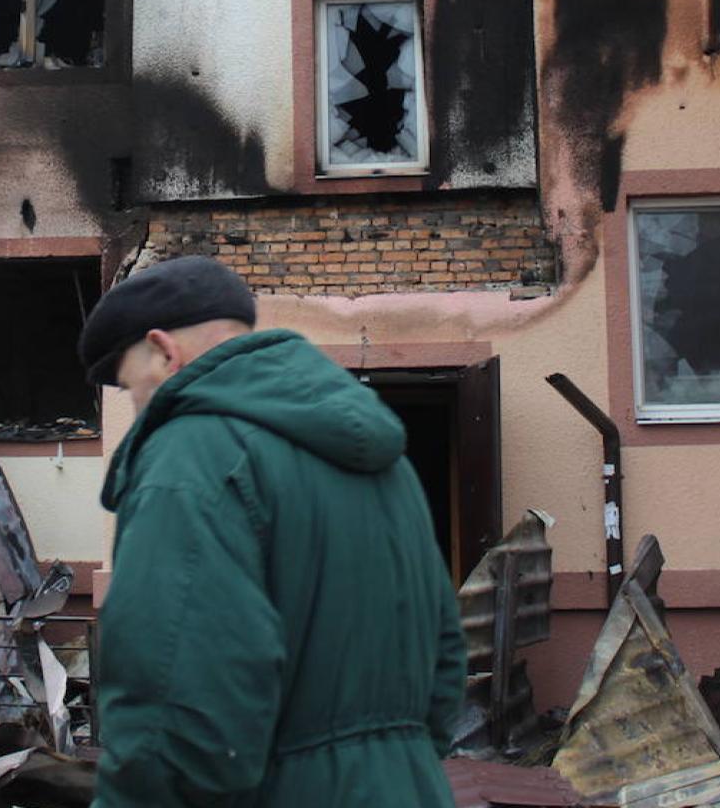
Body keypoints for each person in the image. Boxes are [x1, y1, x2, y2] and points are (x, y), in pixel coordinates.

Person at [78, 256, 463, 807]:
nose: (138, 408)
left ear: (164, 352)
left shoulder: (189, 458)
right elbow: (445, 659)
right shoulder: (387, 463)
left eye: (129, 386)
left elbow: (180, 714)